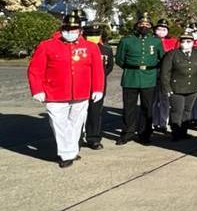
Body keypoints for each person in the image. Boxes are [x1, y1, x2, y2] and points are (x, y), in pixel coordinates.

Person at [28, 13, 105, 167]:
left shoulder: (90, 47)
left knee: (76, 123)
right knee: (59, 124)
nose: (71, 31)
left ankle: (72, 150)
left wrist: (97, 88)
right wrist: (37, 89)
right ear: (62, 28)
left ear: (80, 30)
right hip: (55, 93)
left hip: (81, 92)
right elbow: (35, 69)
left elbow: (97, 69)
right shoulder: (47, 45)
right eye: (67, 28)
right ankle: (66, 154)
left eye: (74, 29)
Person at [115, 13, 164, 145]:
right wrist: (132, 67)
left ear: (151, 27)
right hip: (131, 77)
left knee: (147, 108)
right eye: (141, 24)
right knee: (129, 107)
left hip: (149, 77)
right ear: (136, 26)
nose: (144, 26)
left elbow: (161, 58)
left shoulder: (156, 41)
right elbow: (119, 59)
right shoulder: (126, 41)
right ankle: (127, 133)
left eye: (147, 24)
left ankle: (145, 134)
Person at [160, 31, 197, 141]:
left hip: (193, 87)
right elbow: (165, 73)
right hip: (177, 88)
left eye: (189, 41)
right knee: (177, 111)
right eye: (183, 41)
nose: (186, 43)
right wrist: (167, 88)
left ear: (193, 42)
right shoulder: (172, 54)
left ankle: (183, 131)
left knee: (187, 111)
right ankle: (176, 133)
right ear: (179, 42)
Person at [81, 23, 114, 150]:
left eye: (96, 35)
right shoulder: (80, 49)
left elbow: (109, 66)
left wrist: (99, 77)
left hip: (98, 85)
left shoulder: (106, 49)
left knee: (95, 112)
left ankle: (93, 138)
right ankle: (76, 138)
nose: (93, 37)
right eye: (90, 35)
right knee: (78, 113)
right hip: (81, 84)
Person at [151, 18, 178, 134]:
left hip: (167, 74)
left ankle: (163, 123)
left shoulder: (173, 41)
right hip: (152, 73)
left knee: (165, 100)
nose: (161, 31)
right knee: (152, 100)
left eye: (164, 29)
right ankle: (152, 122)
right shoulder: (150, 40)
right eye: (159, 29)